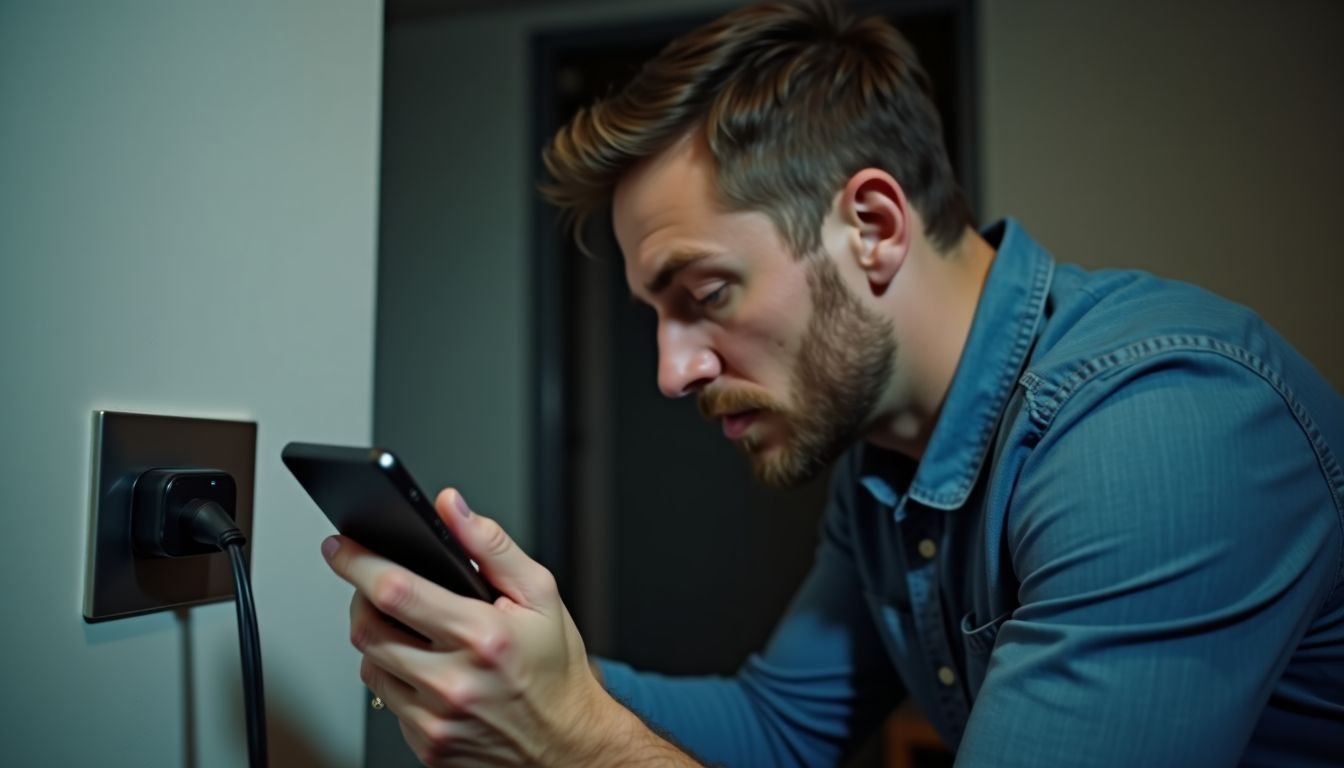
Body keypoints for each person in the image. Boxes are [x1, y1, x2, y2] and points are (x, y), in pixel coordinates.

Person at [321, 0, 1344, 765]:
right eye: (655, 315)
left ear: (874, 228)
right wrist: (522, 658)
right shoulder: (883, 457)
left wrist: (575, 736)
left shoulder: (1161, 429)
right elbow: (782, 732)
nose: (674, 373)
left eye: (706, 293)